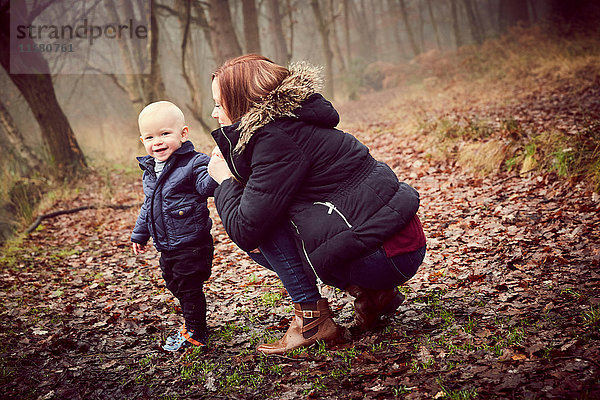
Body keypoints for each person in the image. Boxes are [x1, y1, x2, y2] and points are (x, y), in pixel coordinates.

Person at [207, 55, 426, 355]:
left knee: (262, 226)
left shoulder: (276, 139)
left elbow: (246, 228)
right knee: (267, 209)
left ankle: (312, 321)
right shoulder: (296, 122)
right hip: (402, 242)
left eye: (220, 104)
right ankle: (374, 293)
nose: (214, 113)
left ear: (242, 103)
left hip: (385, 253)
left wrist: (224, 181)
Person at [131, 101, 218, 351]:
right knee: (174, 283)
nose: (157, 141)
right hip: (167, 245)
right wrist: (140, 234)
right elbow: (149, 206)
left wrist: (215, 166)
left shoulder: (194, 163)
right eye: (150, 137)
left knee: (188, 286)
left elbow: (206, 186)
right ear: (142, 140)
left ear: (183, 134)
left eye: (165, 134)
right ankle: (195, 321)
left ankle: (196, 330)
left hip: (191, 243)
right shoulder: (150, 170)